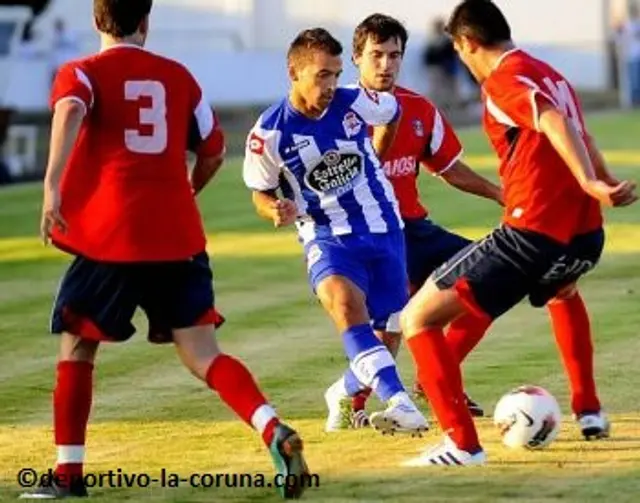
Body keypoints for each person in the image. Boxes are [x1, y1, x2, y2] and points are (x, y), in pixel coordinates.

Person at [21, 0, 309, 499]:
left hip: (111, 237)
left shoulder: (82, 71)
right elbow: (215, 149)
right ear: (146, 21)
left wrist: (52, 188)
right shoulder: (180, 77)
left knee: (77, 344)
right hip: (177, 237)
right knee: (202, 352)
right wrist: (187, 190)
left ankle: (68, 476)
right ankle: (271, 428)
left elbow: (70, 107)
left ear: (96, 21)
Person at [399, 0, 638, 467]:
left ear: (467, 43)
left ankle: (462, 445)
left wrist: (592, 181)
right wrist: (602, 182)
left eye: (459, 51)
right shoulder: (550, 72)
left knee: (417, 318)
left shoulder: (504, 79)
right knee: (562, 293)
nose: (462, 61)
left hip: (531, 232)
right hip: (585, 237)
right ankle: (589, 410)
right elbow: (578, 131)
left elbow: (551, 120)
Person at [242, 27, 428, 436]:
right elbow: (259, 191)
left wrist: (375, 155)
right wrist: (274, 207)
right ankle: (400, 403)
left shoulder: (354, 101)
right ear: (294, 72)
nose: (330, 85)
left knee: (389, 329)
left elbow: (392, 112)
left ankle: (344, 393)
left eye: (335, 73)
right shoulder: (268, 133)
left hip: (382, 226)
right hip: (326, 237)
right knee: (346, 308)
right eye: (321, 75)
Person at [323, 13, 503, 431]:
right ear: (356, 58)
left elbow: (451, 168)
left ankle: (435, 379)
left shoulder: (419, 108)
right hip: (366, 235)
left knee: (494, 275)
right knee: (391, 331)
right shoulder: (333, 114)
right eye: (376, 55)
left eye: (394, 55)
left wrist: (499, 193)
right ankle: (350, 392)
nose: (386, 64)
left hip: (414, 230)